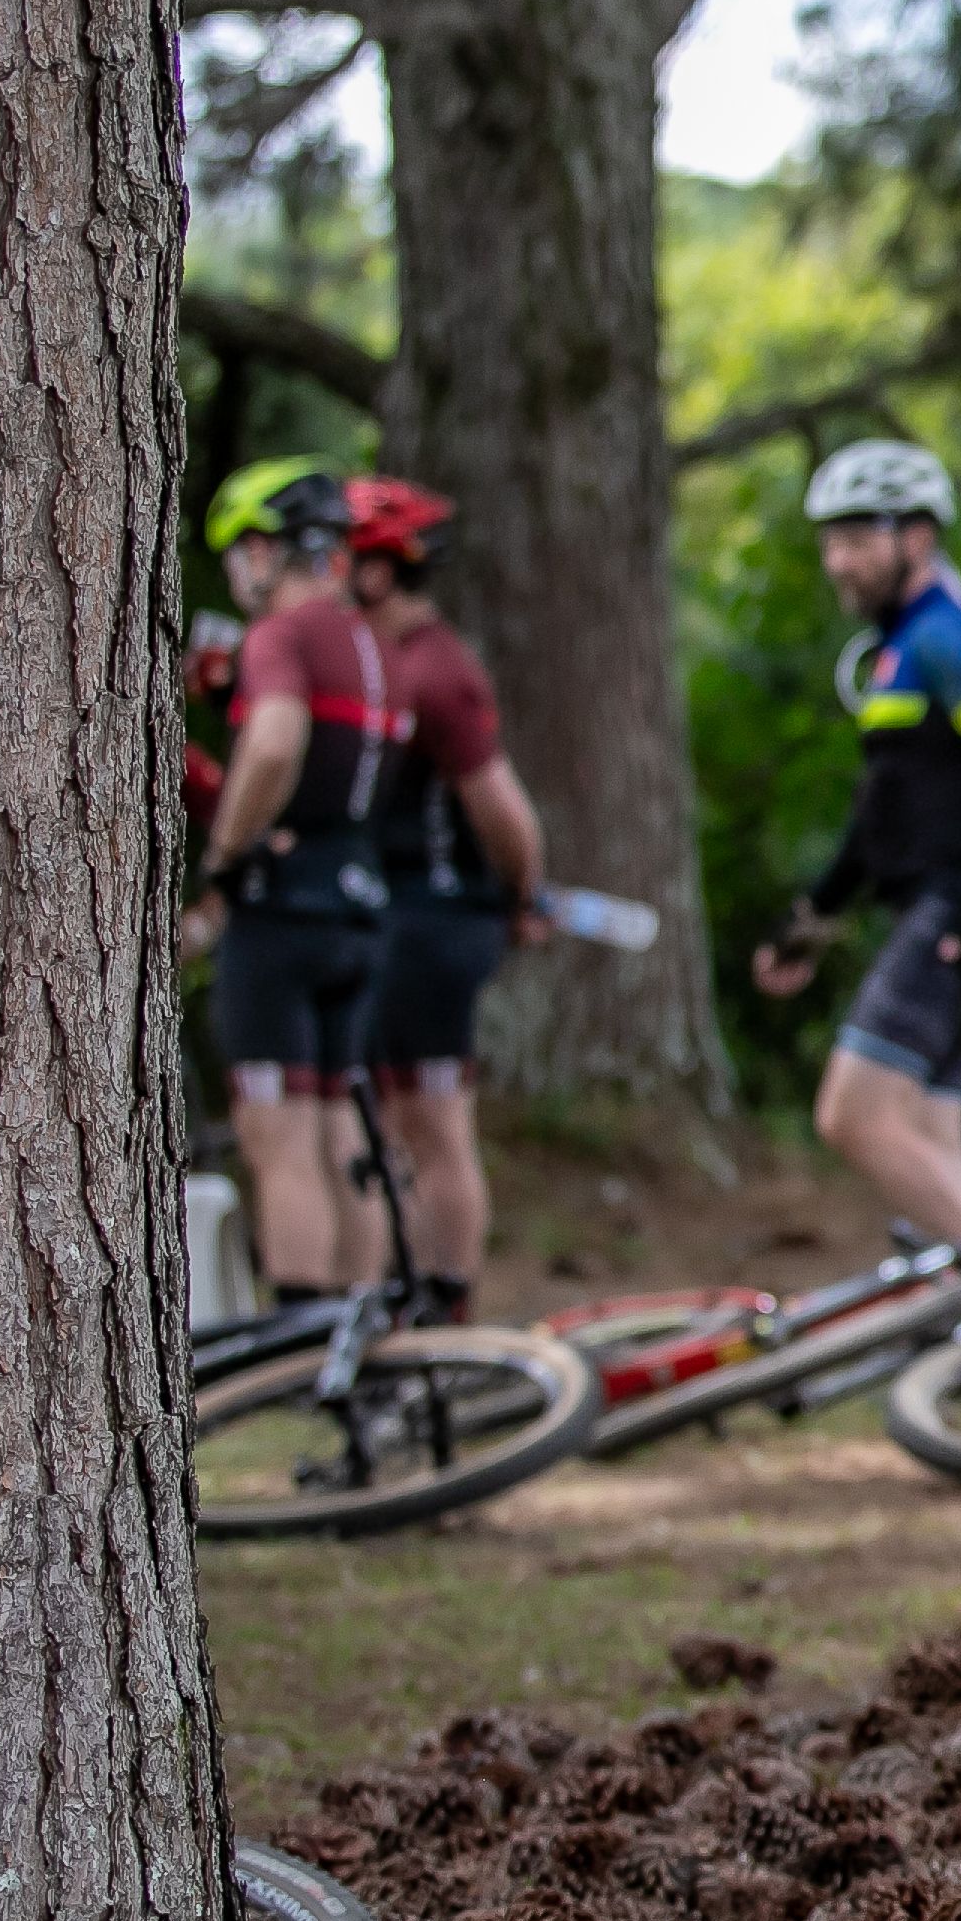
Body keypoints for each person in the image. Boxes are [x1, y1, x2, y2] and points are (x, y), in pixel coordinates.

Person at [752, 440, 961, 1252]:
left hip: (956, 908)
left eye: (856, 539)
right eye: (830, 542)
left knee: (853, 1116)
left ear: (917, 537)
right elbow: (882, 811)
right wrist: (811, 916)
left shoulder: (944, 633)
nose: (837, 562)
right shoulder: (901, 648)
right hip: (939, 901)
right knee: (926, 1125)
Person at [181, 460, 403, 1299]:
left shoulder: (280, 635)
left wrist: (224, 856)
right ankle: (360, 1325)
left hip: (281, 912)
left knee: (279, 1136)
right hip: (358, 900)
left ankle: (301, 1334)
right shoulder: (371, 642)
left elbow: (275, 745)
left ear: (262, 549)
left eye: (236, 554)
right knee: (342, 1123)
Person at [345, 478, 550, 1312]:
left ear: (379, 572)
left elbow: (503, 809)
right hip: (387, 921)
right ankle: (399, 1305)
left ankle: (449, 1305)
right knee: (389, 1123)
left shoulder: (435, 669)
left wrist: (523, 895)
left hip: (435, 922)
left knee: (433, 1122)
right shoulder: (373, 661)